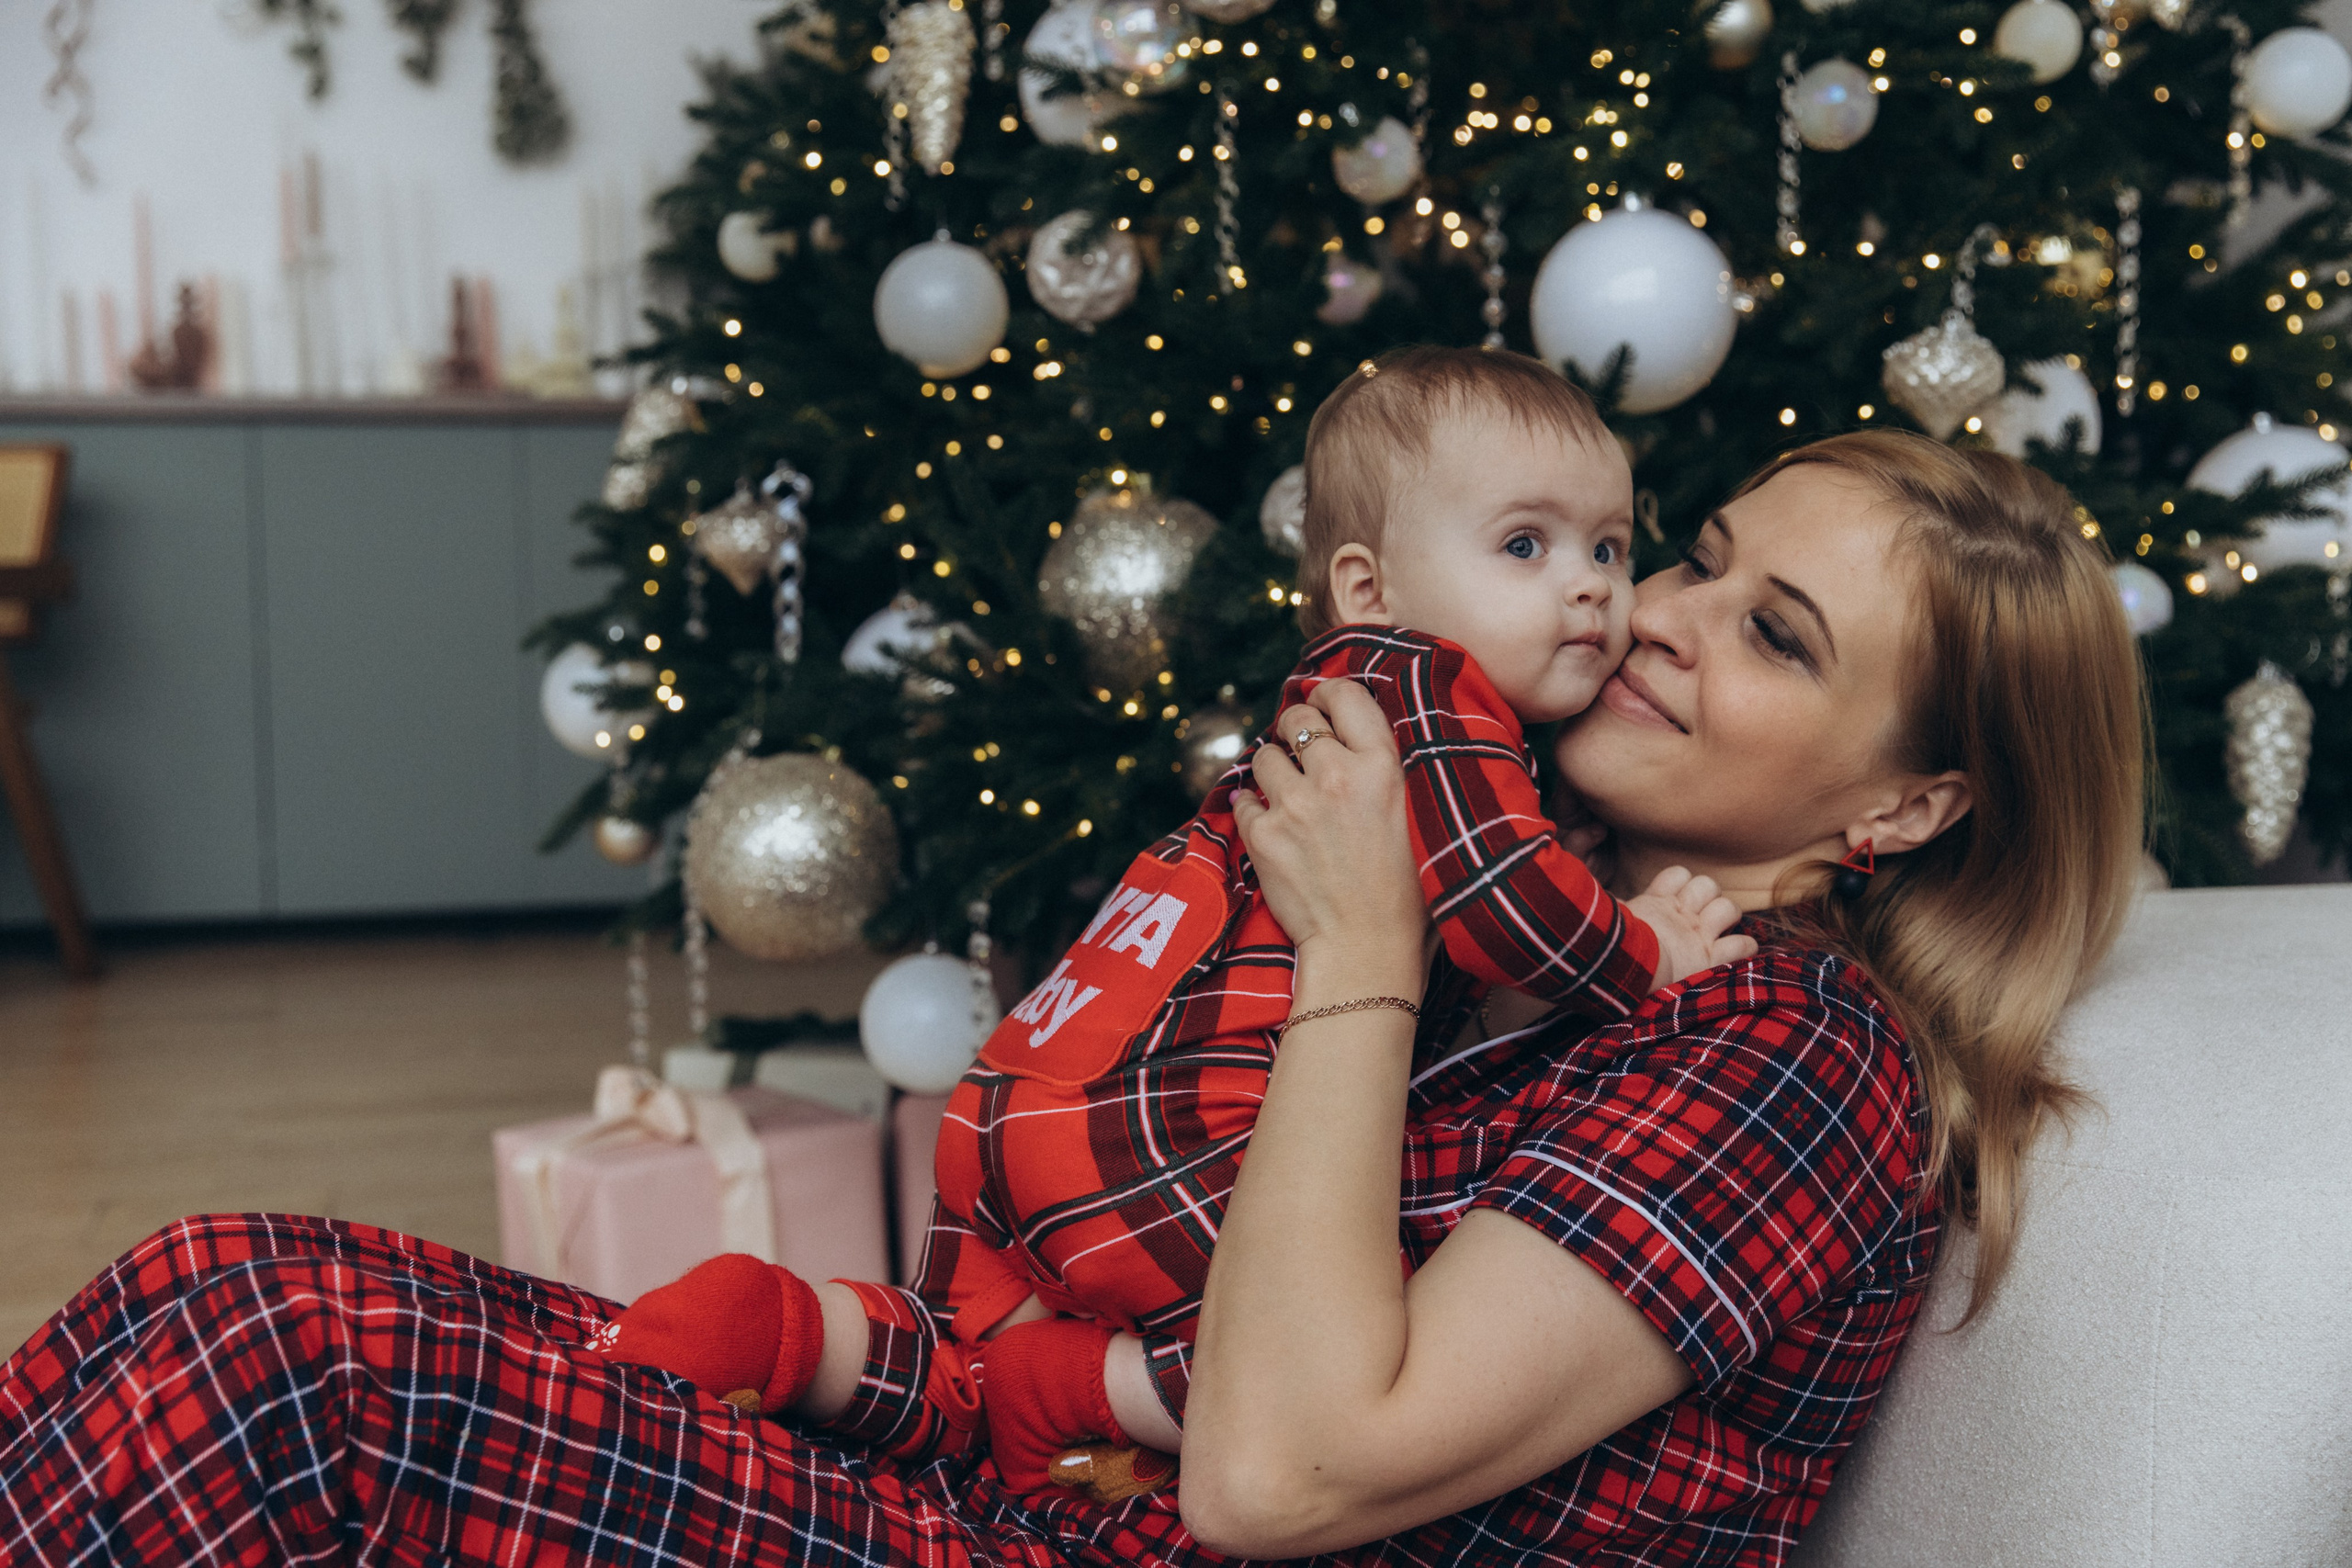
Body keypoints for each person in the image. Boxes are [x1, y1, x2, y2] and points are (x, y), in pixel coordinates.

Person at [0, 431, 2146, 1565]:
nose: (1649, 613)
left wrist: (1364, 950)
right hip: (995, 1493)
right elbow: (1109, 1322)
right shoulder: (1549, 939)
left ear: (1910, 797)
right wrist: (849, 1351)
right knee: (233, 1280)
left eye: (1769, 631)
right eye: (1690, 556)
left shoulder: (1792, 1057)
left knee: (281, 1363)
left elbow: (1284, 1470)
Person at [594, 346, 1757, 1492]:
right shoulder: (1429, 689)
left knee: (965, 1361)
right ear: (1369, 589)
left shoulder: (1334, 708)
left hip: (1027, 1092)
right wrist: (1650, 944)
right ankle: (1082, 1393)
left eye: (1609, 545)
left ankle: (796, 1330)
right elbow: (1512, 911)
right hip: (1174, 1131)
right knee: (1319, 1326)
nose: (1594, 584)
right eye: (1524, 545)